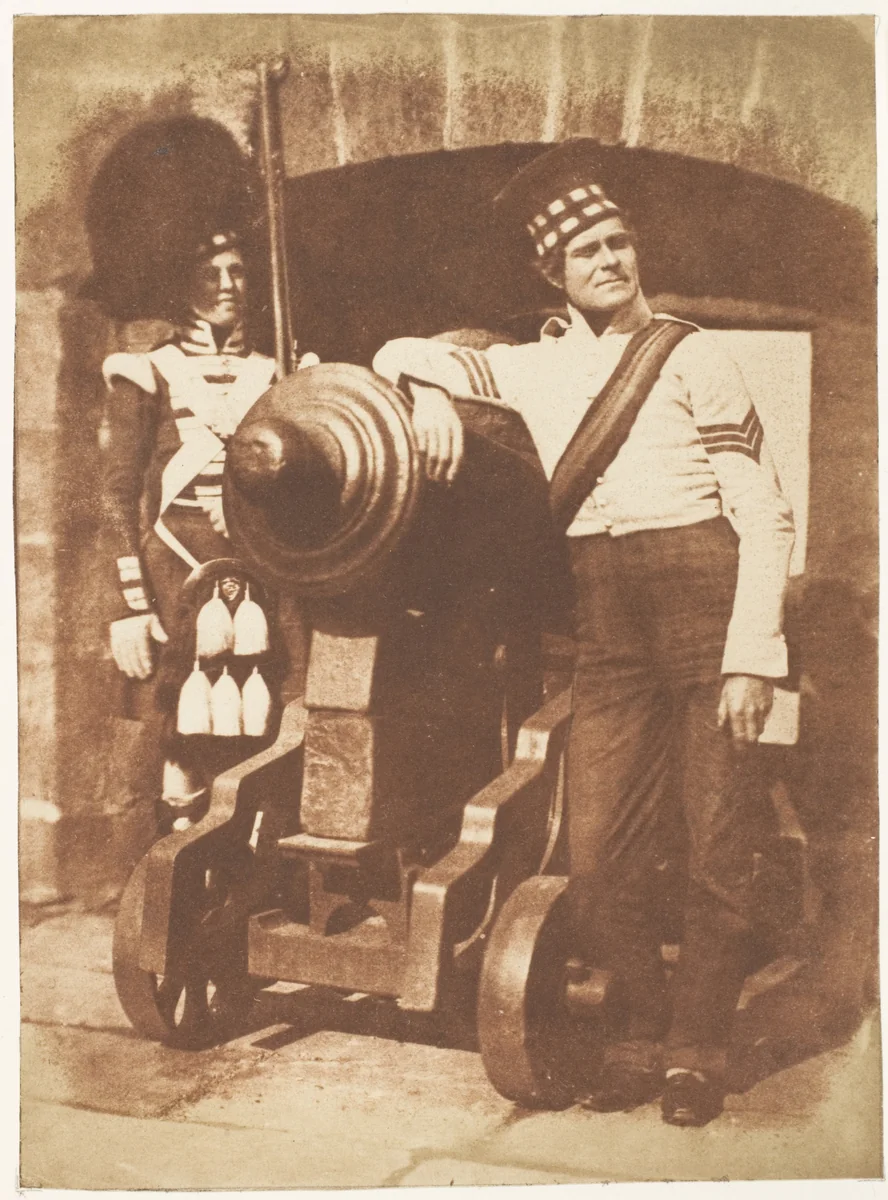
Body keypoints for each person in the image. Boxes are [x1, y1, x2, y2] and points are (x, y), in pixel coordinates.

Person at [371, 141, 795, 1127]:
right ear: (550, 273)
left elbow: (764, 511)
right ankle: (644, 1026)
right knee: (598, 852)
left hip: (707, 593)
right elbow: (403, 353)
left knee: (720, 846)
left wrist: (751, 655)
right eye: (587, 250)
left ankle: (692, 1051)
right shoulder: (532, 368)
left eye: (619, 241)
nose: (610, 259)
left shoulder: (692, 352)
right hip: (607, 615)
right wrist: (432, 396)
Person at [102, 227, 312, 835]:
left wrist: (257, 511)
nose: (227, 285)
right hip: (174, 573)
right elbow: (116, 493)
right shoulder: (148, 373)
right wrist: (128, 607)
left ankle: (246, 886)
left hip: (261, 573)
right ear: (181, 284)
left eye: (239, 271)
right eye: (211, 272)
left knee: (262, 730)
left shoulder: (277, 373)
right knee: (176, 746)